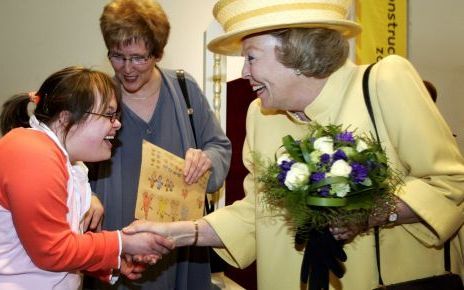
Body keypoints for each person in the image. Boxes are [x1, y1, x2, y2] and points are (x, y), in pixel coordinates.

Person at [123, 0, 464, 289]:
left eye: (252, 57)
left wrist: (371, 214)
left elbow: (450, 184)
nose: (244, 72)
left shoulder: (383, 82)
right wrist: (174, 234)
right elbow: (255, 213)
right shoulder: (260, 115)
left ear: (295, 51)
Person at [85, 0, 232, 289]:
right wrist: (83, 194)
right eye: (117, 56)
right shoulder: (97, 96)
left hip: (179, 250)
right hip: (119, 247)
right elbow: (68, 161)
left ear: (158, 53)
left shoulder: (183, 89)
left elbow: (219, 146)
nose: (127, 69)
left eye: (139, 58)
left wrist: (207, 161)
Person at [0, 66, 174, 290]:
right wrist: (123, 243)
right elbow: (51, 251)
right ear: (65, 119)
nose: (118, 124)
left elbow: (55, 245)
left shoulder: (69, 163)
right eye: (109, 115)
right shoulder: (31, 151)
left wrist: (111, 262)